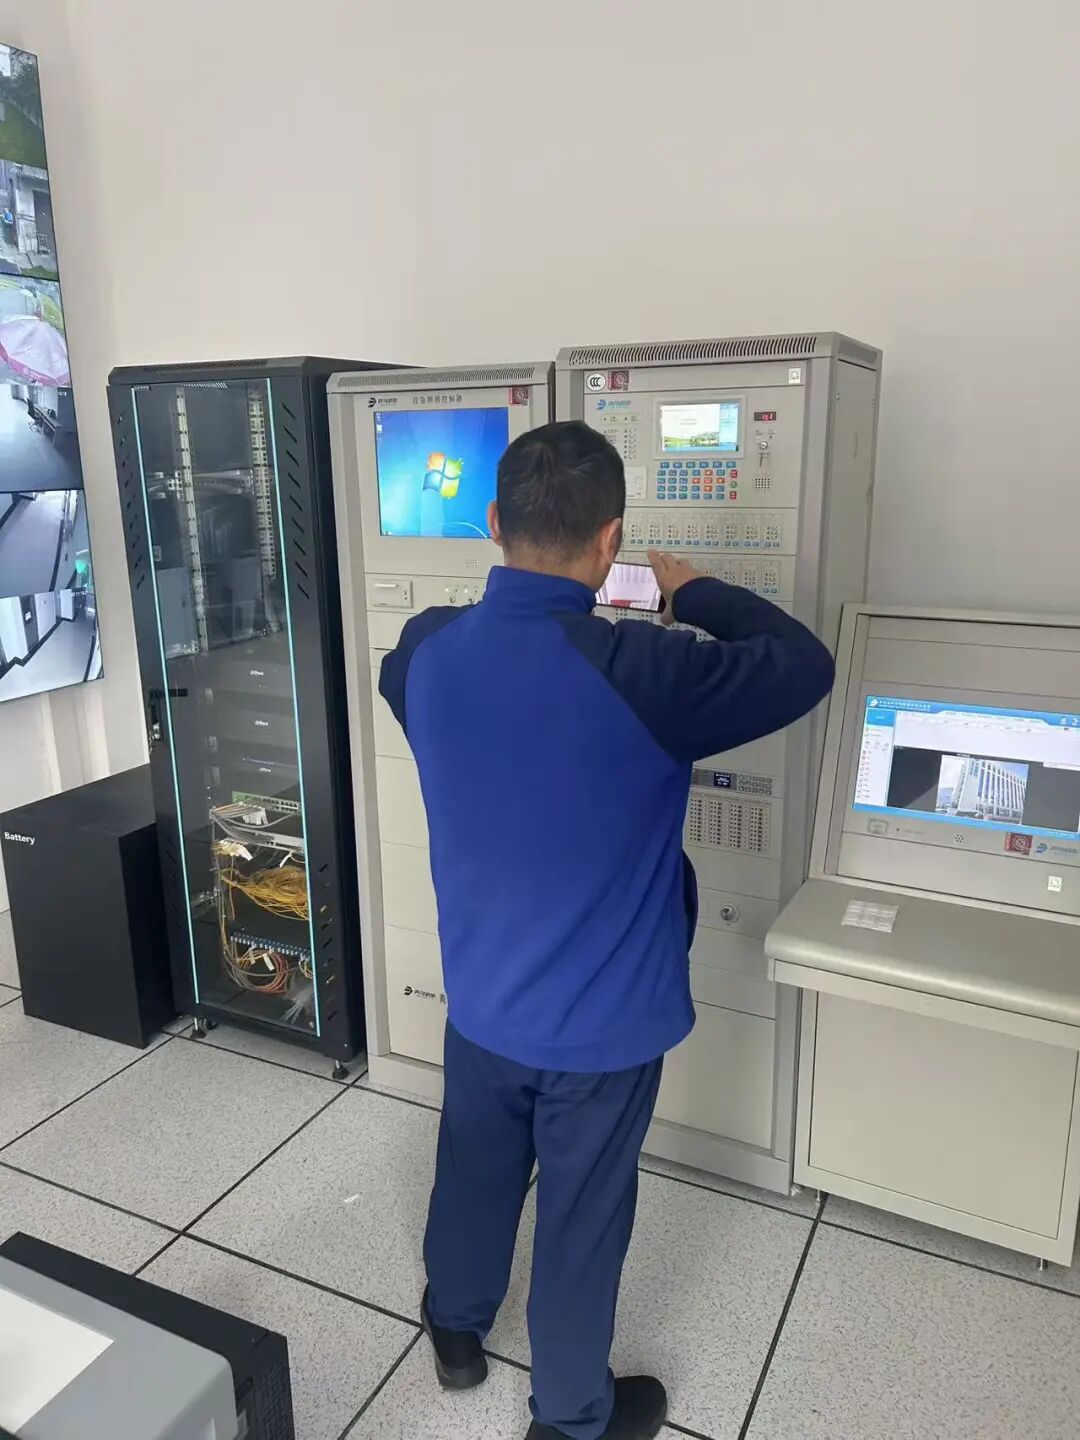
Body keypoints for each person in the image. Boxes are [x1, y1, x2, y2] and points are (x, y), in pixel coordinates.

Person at [378, 420, 835, 1440]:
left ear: (492, 522)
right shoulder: (646, 671)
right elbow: (805, 665)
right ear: (611, 539)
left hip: (483, 999)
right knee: (582, 1221)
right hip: (604, 1029)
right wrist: (694, 592)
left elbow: (436, 706)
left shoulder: (424, 649)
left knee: (474, 1167)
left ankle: (455, 1332)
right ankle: (572, 1416)